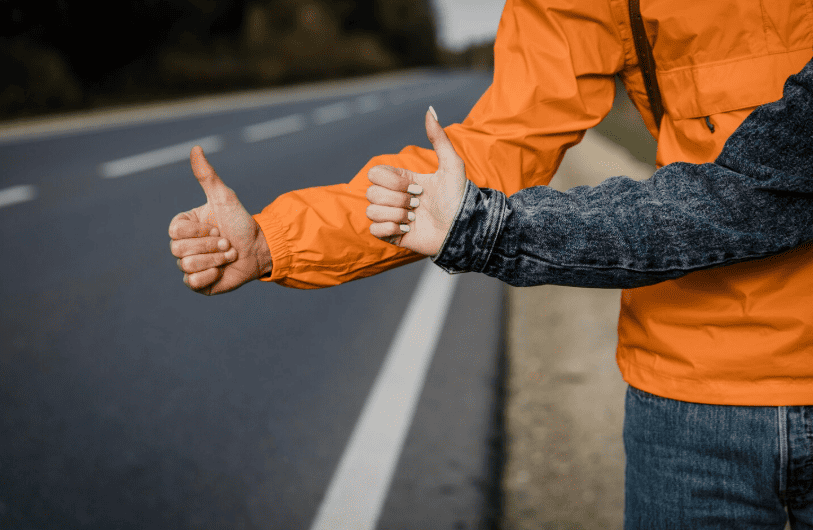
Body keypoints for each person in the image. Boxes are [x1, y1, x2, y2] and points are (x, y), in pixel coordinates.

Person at [168, 1, 813, 527]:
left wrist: (492, 229)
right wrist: (274, 237)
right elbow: (498, 146)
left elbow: (759, 190)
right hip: (688, 396)